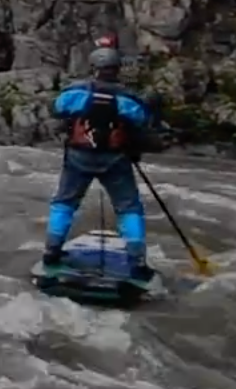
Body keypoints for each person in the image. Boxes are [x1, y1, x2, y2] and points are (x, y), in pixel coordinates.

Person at [42, 34, 162, 281]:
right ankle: (137, 261)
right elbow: (143, 120)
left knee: (64, 202)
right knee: (128, 208)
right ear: (117, 69)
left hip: (78, 157)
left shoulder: (76, 92)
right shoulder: (127, 98)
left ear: (93, 67)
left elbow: (56, 108)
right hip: (115, 160)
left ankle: (51, 251)